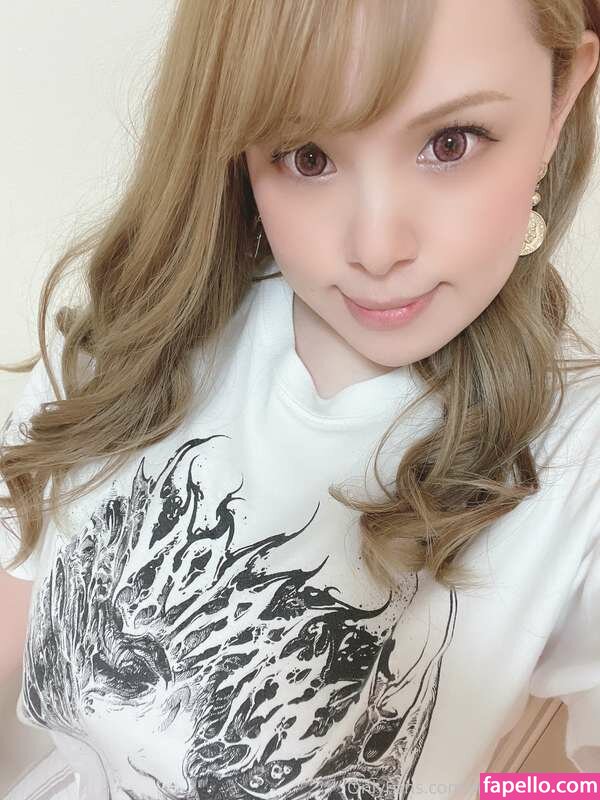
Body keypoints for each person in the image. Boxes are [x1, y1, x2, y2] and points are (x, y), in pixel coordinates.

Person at [1, 0, 600, 797]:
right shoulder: (132, 340)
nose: (376, 249)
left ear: (561, 100)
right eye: (307, 155)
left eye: (451, 143)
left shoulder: (579, 467)